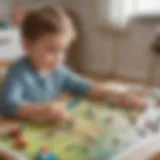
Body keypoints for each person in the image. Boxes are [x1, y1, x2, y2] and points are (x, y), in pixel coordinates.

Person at [0, 6, 143, 122]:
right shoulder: (18, 72)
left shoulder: (58, 70)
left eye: (63, 51)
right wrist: (39, 110)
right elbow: (7, 104)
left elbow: (85, 86)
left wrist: (117, 95)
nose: (58, 58)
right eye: (51, 50)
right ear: (27, 45)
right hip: (15, 128)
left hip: (45, 128)